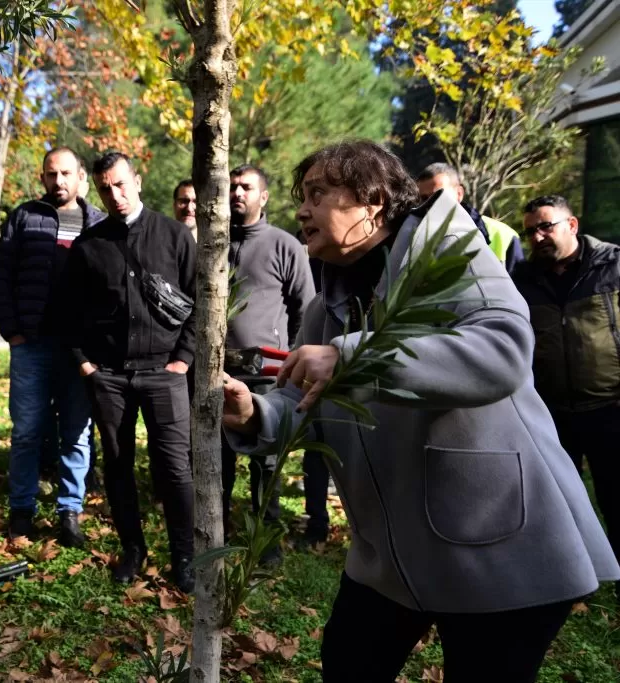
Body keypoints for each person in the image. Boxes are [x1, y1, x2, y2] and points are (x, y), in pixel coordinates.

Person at [222, 140, 619, 681]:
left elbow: (502, 351)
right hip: (388, 553)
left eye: (318, 194)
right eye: (302, 197)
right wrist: (256, 415)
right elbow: (301, 397)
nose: (303, 210)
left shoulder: (449, 254)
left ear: (374, 201)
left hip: (495, 544)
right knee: (348, 665)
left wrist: (351, 355)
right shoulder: (324, 305)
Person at [61, 151, 196, 593]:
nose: (115, 195)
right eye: (105, 189)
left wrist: (183, 361)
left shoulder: (174, 236)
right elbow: (69, 311)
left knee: (174, 467)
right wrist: (85, 363)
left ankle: (184, 557)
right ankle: (133, 549)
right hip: (110, 377)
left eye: (121, 185)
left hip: (165, 372)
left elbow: (203, 302)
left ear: (137, 180)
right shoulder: (88, 245)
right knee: (118, 465)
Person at [0, 147, 105, 546]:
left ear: (80, 177)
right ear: (42, 178)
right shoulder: (25, 217)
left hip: (79, 350)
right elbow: (0, 276)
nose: (59, 181)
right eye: (51, 174)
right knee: (26, 432)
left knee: (77, 432)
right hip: (32, 344)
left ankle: (69, 511)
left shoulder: (99, 224)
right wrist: (12, 331)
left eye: (66, 174)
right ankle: (21, 508)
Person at [512, 194, 620, 588]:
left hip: (610, 407)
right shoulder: (523, 278)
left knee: (615, 495)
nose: (537, 236)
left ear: (571, 225)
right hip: (552, 411)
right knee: (559, 500)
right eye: (531, 231)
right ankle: (570, 575)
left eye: (546, 226)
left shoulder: (613, 264)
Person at [223, 165, 323, 554]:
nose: (237, 193)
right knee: (219, 459)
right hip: (220, 371)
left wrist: (291, 363)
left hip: (268, 373)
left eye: (246, 187)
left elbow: (306, 309)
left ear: (263, 197)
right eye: (232, 186)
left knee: (266, 464)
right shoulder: (212, 243)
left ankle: (266, 542)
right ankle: (220, 532)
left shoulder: (285, 245)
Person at [417, 162, 524, 272]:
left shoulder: (503, 235)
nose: (430, 205)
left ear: (459, 193)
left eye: (438, 196)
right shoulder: (413, 237)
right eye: (424, 199)